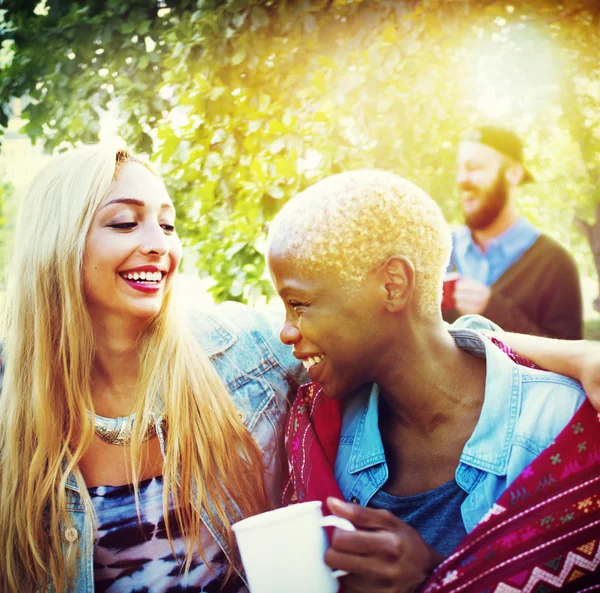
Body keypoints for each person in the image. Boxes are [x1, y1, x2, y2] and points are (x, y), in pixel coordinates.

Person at [266, 169, 591, 593]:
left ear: (392, 284)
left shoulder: (562, 428)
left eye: (299, 303)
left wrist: (435, 578)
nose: (286, 332)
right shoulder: (324, 435)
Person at [0, 144, 305, 593]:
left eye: (167, 225)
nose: (159, 244)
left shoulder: (244, 349)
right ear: (57, 243)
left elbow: (399, 346)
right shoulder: (13, 411)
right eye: (125, 222)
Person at [443, 126, 583, 340]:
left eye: (474, 167)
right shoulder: (441, 251)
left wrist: (493, 311)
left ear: (514, 174)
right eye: (459, 169)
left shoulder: (555, 265)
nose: (461, 180)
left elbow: (569, 363)